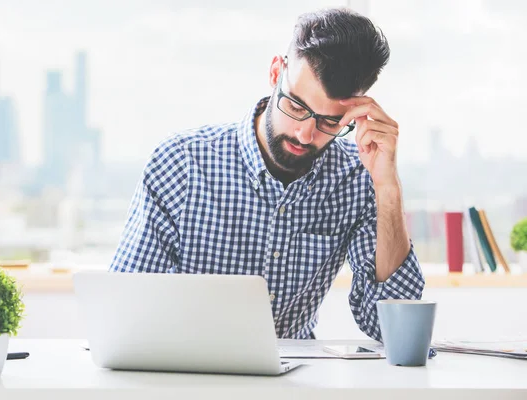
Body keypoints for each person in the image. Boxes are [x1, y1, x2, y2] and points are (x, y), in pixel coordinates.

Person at [109, 7, 425, 341]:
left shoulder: (357, 178)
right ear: (276, 73)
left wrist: (387, 187)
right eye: (297, 107)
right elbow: (125, 314)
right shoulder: (181, 164)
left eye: (330, 122)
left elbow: (393, 329)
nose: (305, 134)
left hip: (295, 386)